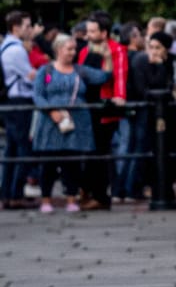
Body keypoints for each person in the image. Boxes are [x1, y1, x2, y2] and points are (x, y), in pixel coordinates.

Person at [30, 34, 113, 213]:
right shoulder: (46, 71)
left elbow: (103, 76)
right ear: (59, 50)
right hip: (51, 123)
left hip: (76, 122)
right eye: (69, 49)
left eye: (74, 49)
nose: (73, 53)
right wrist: (51, 110)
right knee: (48, 164)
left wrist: (107, 58)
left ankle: (71, 198)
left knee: (72, 164)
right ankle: (46, 199)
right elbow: (38, 94)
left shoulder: (80, 71)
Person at [132, 30, 176, 207]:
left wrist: (163, 67)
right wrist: (157, 68)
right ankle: (160, 189)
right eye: (151, 47)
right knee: (153, 152)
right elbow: (143, 89)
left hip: (175, 116)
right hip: (151, 116)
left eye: (158, 47)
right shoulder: (142, 63)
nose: (154, 51)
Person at [80, 13, 129, 209]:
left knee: (101, 149)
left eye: (92, 31)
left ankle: (99, 194)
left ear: (104, 32)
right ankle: (90, 190)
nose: (88, 35)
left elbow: (119, 75)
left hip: (104, 104)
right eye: (88, 31)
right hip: (88, 106)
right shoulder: (85, 51)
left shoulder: (116, 50)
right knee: (91, 150)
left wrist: (120, 96)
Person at [1, 11, 40, 209]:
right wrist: (48, 75)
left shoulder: (6, 47)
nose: (30, 29)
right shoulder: (16, 50)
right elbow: (31, 76)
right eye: (27, 26)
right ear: (16, 28)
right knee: (23, 149)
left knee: (12, 150)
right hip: (19, 101)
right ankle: (15, 194)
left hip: (11, 101)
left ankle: (7, 194)